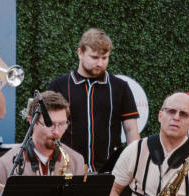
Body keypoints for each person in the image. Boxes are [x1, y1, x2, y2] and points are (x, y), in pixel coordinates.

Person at [45, 28, 139, 174]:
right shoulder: (59, 85)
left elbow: (131, 129)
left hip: (110, 172)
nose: (100, 63)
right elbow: (45, 127)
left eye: (105, 58)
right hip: (66, 170)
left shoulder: (120, 87)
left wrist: (134, 165)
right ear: (80, 53)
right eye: (94, 57)